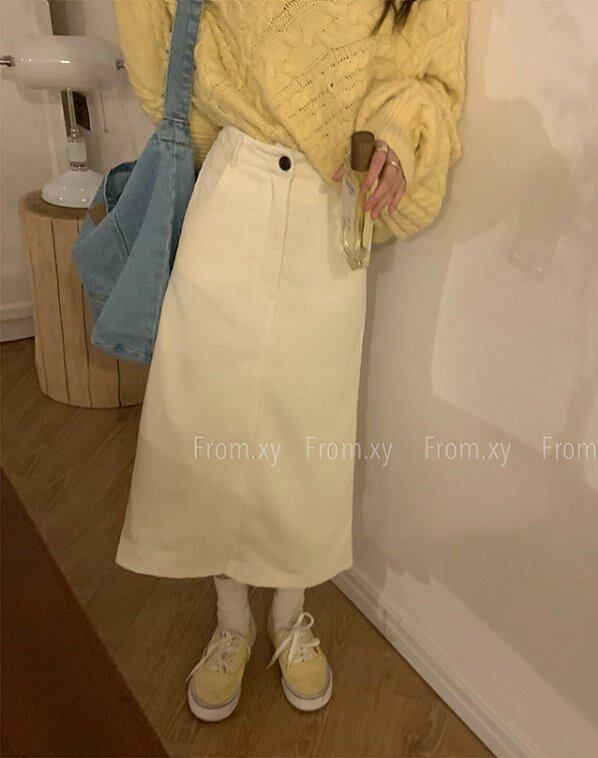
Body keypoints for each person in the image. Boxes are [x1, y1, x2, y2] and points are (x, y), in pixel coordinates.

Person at [112, 0, 468, 721]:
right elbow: (157, 28)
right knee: (208, 417)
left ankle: (288, 618)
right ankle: (232, 623)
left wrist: (400, 138)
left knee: (306, 437)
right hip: (233, 186)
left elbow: (434, 79)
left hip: (329, 205)